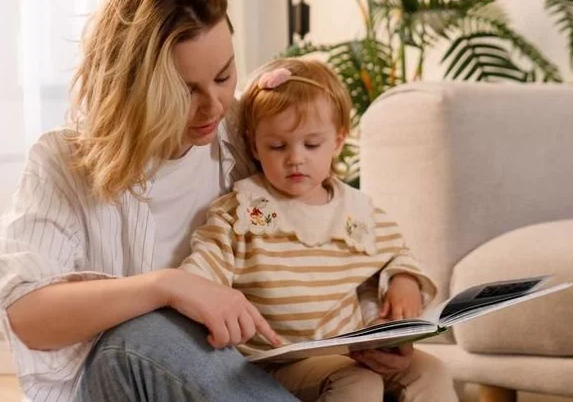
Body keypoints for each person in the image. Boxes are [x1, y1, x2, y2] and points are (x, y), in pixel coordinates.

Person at [0, 0, 298, 401]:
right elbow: (29, 315)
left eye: (223, 77)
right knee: (139, 338)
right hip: (121, 383)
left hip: (226, 373)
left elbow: (319, 225)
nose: (214, 107)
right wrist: (166, 287)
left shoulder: (244, 134)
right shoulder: (63, 164)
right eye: (185, 91)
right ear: (133, 85)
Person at [179, 58, 459, 402]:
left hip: (350, 351)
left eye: (311, 145)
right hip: (275, 363)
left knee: (433, 371)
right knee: (358, 383)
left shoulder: (359, 214)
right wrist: (193, 291)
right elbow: (199, 274)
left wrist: (405, 280)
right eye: (278, 146)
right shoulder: (242, 212)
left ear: (338, 141)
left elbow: (397, 254)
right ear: (254, 146)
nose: (295, 158)